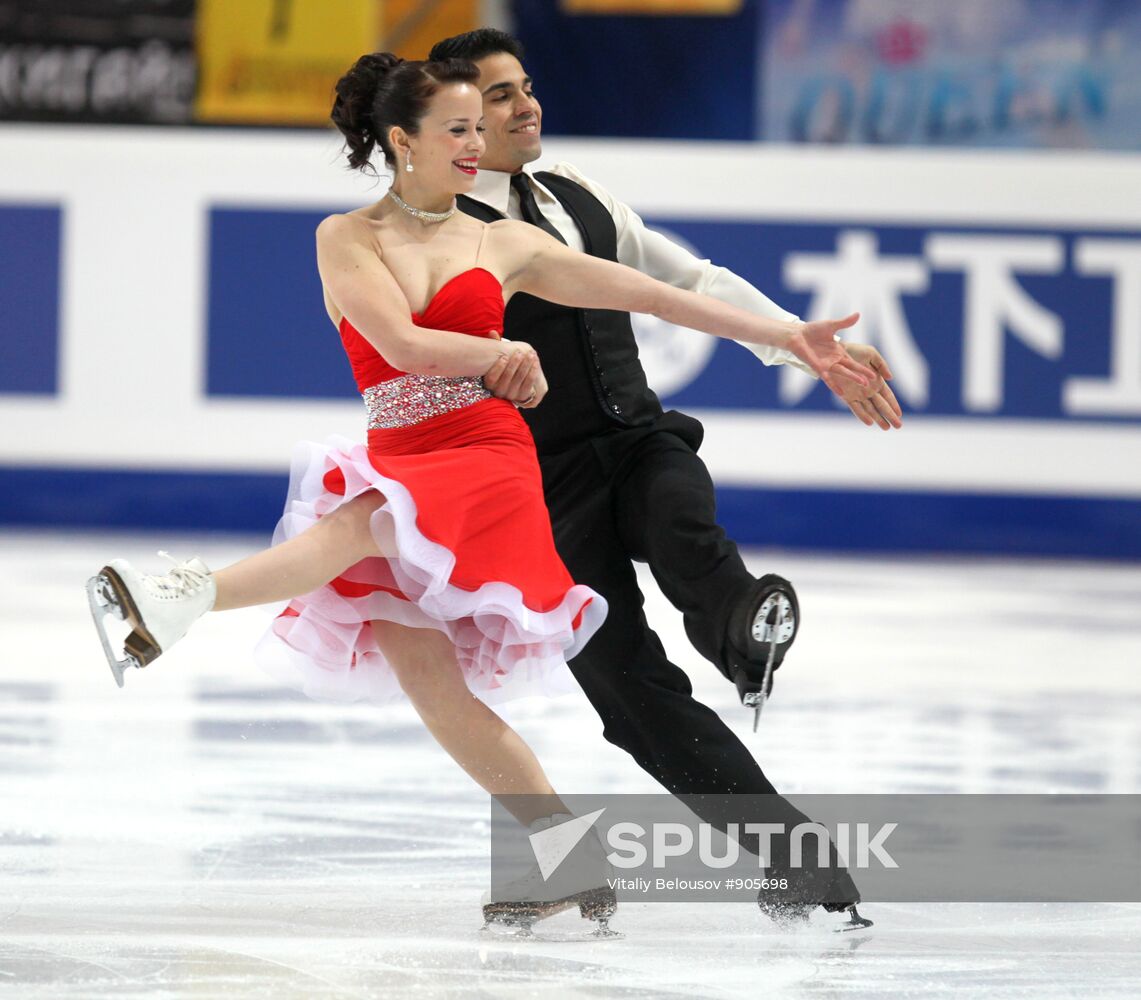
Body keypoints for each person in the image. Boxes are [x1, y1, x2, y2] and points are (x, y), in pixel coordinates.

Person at [86, 54, 875, 932]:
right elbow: (398, 342)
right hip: (407, 445)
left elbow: (657, 293)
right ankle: (566, 857)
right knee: (434, 681)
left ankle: (180, 597)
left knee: (364, 522)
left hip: (482, 452)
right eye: (459, 127)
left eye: (480, 124)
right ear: (401, 140)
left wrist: (787, 337)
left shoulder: (508, 241)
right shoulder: (347, 236)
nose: (478, 141)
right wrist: (500, 352)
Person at [426, 28, 896, 927]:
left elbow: (693, 280)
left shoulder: (576, 192)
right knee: (631, 695)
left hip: (638, 439)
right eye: (498, 95)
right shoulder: (438, 235)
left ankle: (744, 631)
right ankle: (794, 855)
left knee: (683, 523)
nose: (525, 105)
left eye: (526, 85)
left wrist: (800, 347)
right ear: (453, 121)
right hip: (538, 492)